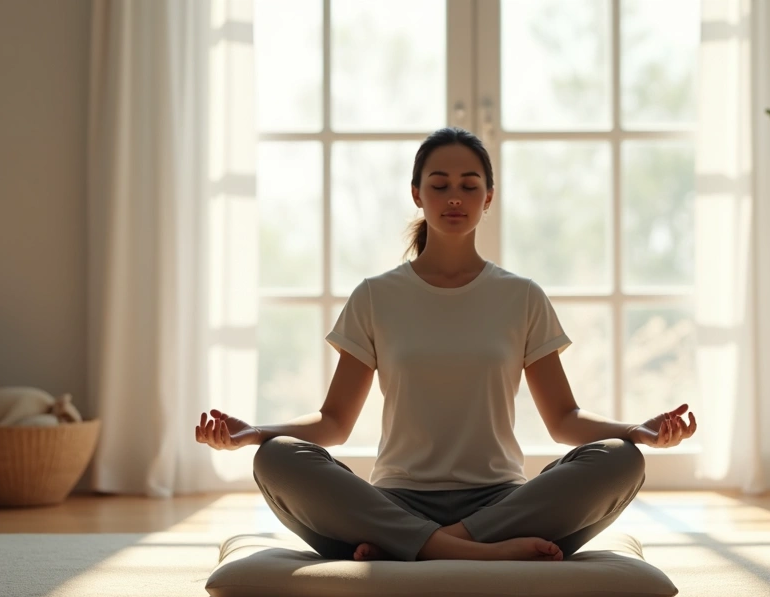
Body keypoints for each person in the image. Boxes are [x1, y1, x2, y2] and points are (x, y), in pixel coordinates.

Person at [195, 127, 697, 563]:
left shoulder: (522, 296)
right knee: (277, 458)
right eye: (439, 185)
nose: (454, 196)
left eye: (468, 185)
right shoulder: (376, 295)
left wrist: (639, 430)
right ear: (416, 194)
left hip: (500, 506)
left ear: (489, 197)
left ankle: (419, 549)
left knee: (621, 459)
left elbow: (564, 420)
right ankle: (467, 554)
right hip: (396, 502)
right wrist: (254, 433)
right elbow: (334, 424)